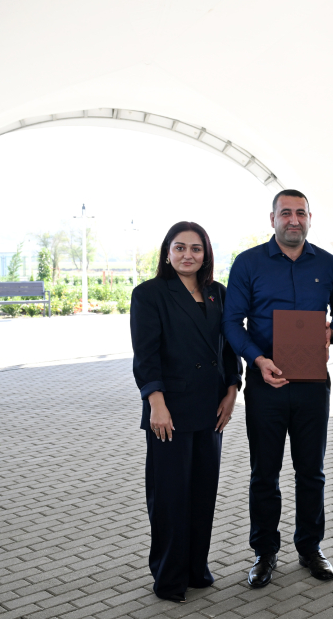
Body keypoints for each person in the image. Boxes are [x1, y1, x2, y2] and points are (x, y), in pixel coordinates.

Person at [222, 189, 333, 588]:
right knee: (264, 473)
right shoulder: (248, 263)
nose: (293, 220)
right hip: (265, 383)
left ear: (310, 218)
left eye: (300, 213)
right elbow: (231, 322)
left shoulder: (328, 264)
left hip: (313, 384)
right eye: (285, 213)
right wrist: (258, 360)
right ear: (271, 218)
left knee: (312, 473)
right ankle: (264, 552)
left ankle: (310, 548)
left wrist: (332, 332)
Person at [130, 221, 242, 603]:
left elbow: (229, 347)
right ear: (167, 252)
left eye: (196, 248)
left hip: (211, 409)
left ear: (205, 254)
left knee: (202, 494)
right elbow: (145, 355)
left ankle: (196, 569)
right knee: (170, 498)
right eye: (180, 247)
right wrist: (156, 403)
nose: (187, 255)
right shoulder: (149, 294)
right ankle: (169, 578)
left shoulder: (218, 293)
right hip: (169, 411)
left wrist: (232, 390)